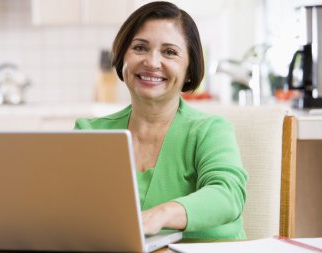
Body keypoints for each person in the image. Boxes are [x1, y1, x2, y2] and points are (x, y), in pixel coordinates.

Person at [74, 1, 248, 239]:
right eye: (140, 48)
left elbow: (228, 196)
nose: (152, 62)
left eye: (169, 52)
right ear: (122, 56)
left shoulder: (210, 130)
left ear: (189, 68)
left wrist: (162, 214)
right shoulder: (91, 133)